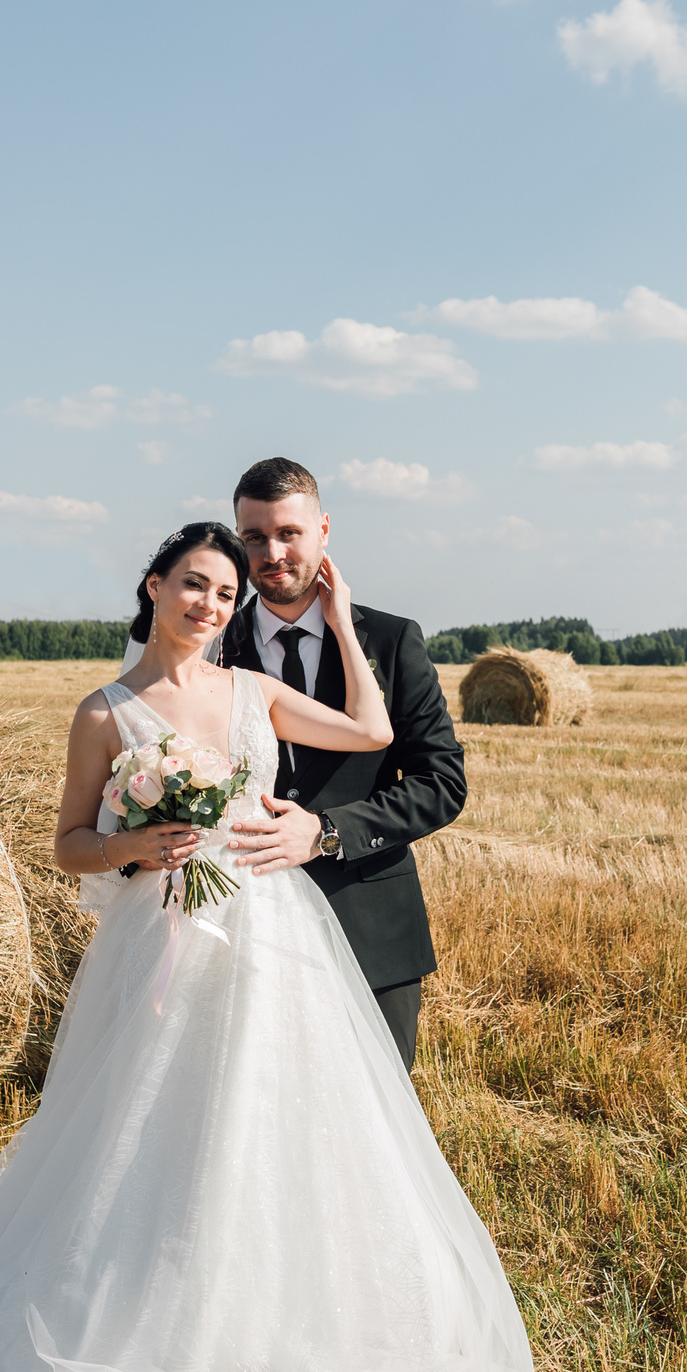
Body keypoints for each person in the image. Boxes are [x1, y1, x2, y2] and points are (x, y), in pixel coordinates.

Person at [0, 522, 541, 1372]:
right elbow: (67, 846)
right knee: (155, 1127)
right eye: (195, 585)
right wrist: (138, 840)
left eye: (226, 595)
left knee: (278, 1120)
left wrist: (344, 621)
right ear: (152, 586)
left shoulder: (250, 692)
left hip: (274, 931)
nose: (210, 606)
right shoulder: (103, 712)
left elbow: (370, 733)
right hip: (161, 943)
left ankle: (280, 1320)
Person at [219, 457, 465, 1070]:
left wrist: (327, 833)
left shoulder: (389, 640)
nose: (272, 553)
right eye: (254, 537)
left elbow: (441, 784)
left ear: (323, 529)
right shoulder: (212, 650)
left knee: (378, 1137)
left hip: (371, 931)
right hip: (242, 931)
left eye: (288, 533)